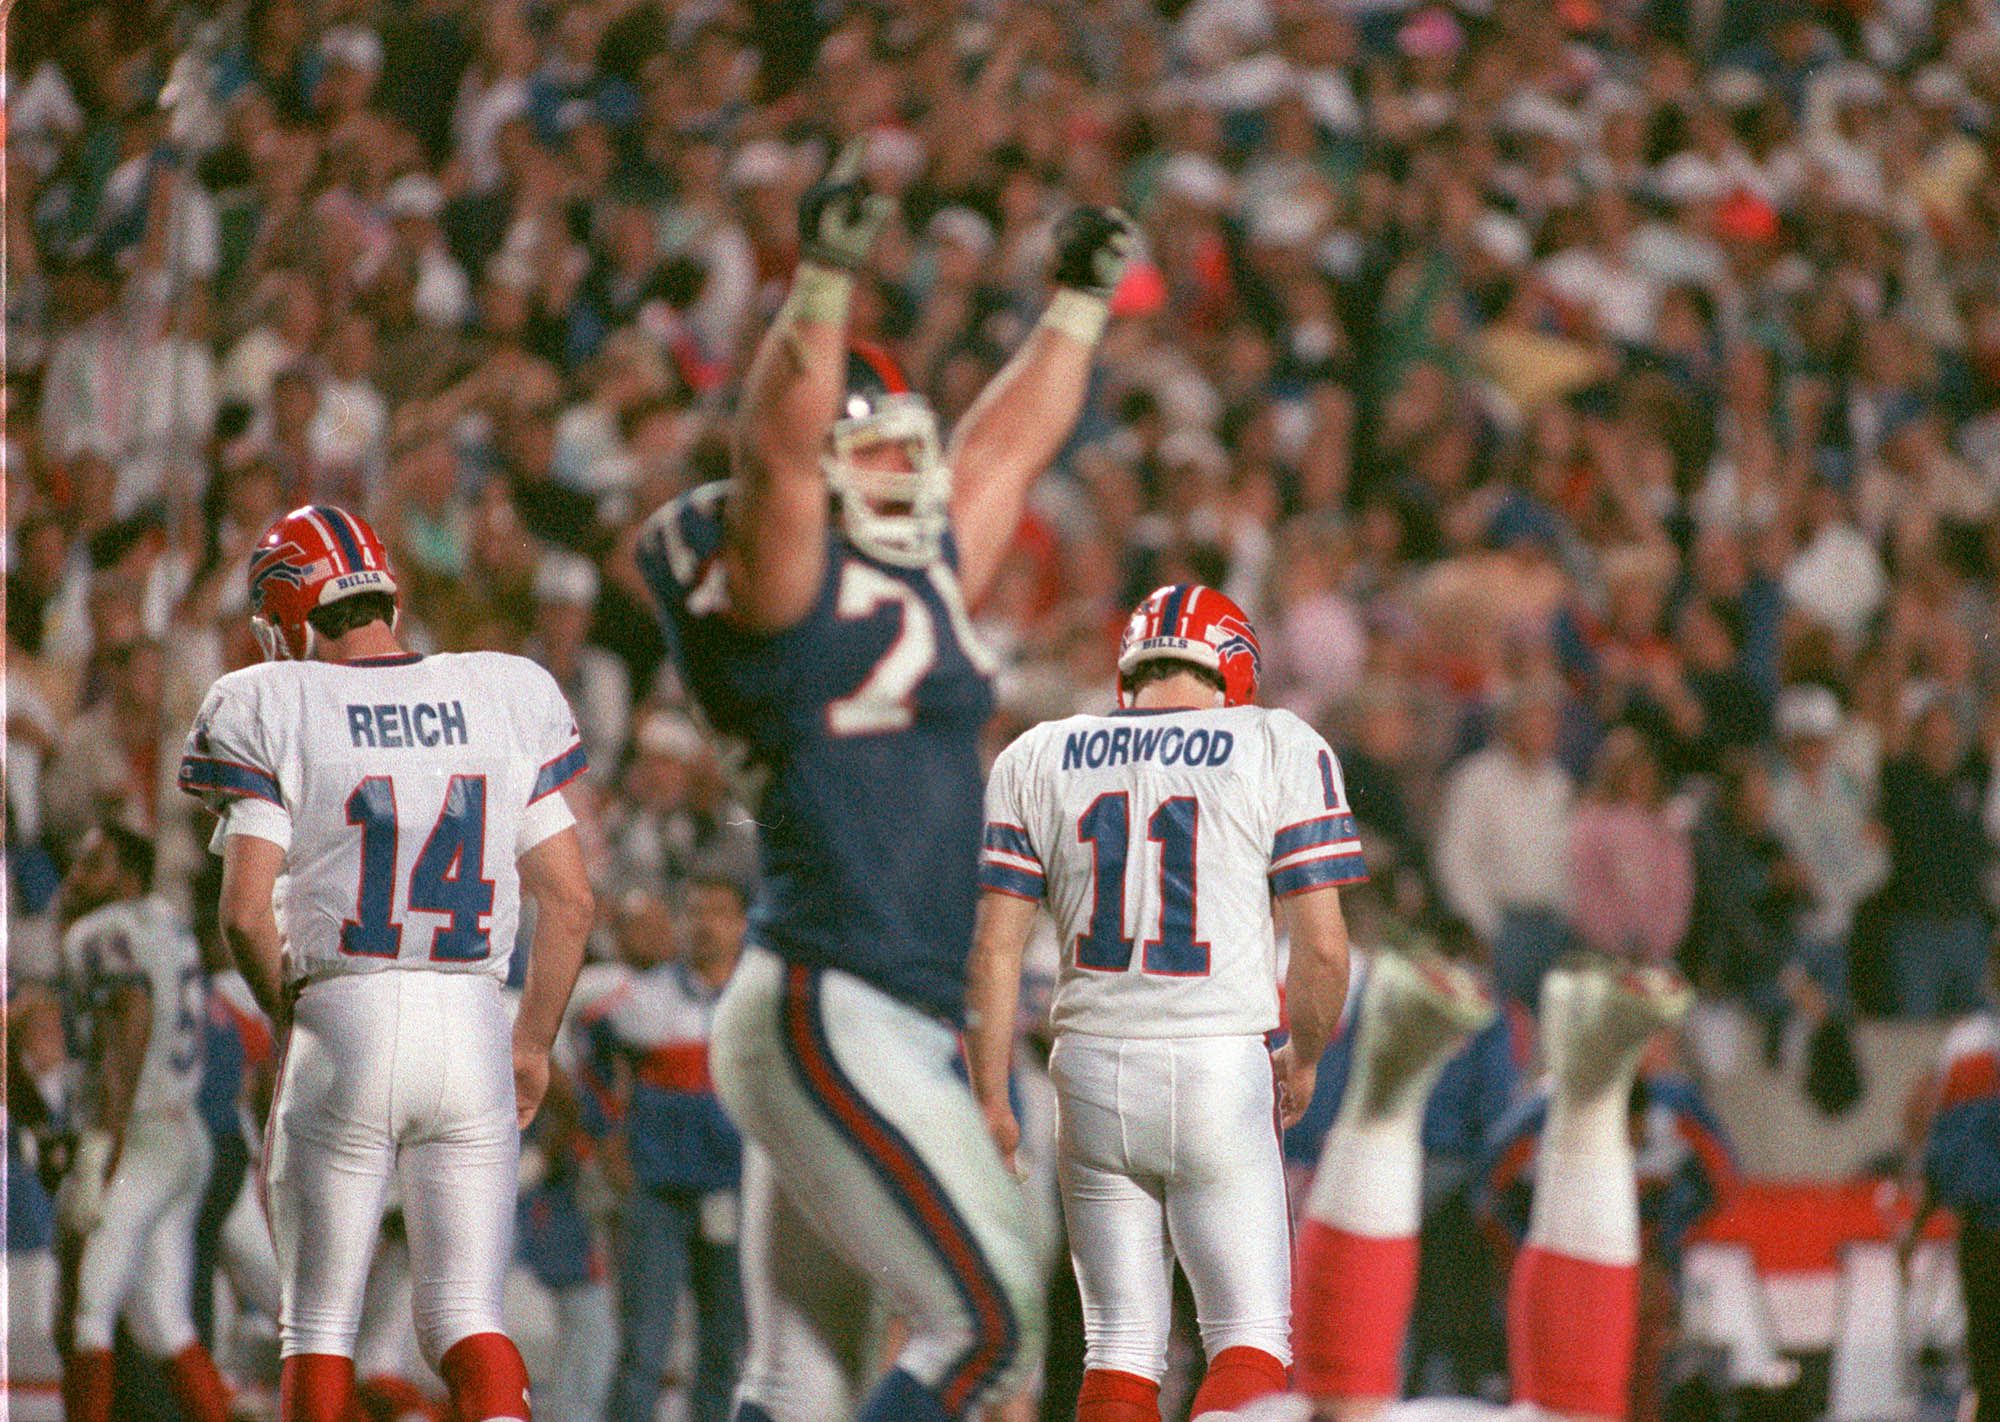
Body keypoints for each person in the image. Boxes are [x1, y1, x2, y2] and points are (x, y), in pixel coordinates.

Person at [636, 138, 1131, 1422]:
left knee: (794, 1375)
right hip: (831, 996)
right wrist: (819, 281)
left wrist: (1073, 305)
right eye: (874, 458)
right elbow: (778, 442)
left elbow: (1003, 446)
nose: (909, 477)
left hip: (874, 1007)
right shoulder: (778, 595)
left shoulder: (898, 573)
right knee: (991, 1325)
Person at [177, 504, 596, 1422]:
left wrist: (290, 1018)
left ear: (289, 610)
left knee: (320, 1325)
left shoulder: (269, 700)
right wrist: (531, 1045)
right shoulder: (501, 689)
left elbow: (247, 913)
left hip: (345, 1015)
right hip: (475, 1022)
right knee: (465, 1317)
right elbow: (570, 900)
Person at [965, 583, 1360, 1422]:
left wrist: (992, 1097)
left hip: (1089, 1070)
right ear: (1236, 669)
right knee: (1249, 1338)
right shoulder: (1276, 744)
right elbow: (1324, 948)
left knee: (1118, 1346)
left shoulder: (1038, 753)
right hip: (1218, 1059)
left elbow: (993, 953)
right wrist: (1308, 1054)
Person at [55, 821, 235, 1422]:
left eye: (93, 864)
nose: (76, 876)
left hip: (141, 1137)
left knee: (90, 1307)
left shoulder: (100, 932)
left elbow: (131, 1014)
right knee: (162, 1319)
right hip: (185, 1133)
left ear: (126, 876)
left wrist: (99, 1150)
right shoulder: (165, 920)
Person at [1292, 941, 1497, 1420]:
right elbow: (1495, 1107)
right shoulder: (1479, 1000)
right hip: (1438, 1171)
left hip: (1404, 1172)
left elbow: (1331, 1086)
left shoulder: (1373, 983)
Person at [592, 871, 748, 1422]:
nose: (704, 924)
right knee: (644, 1348)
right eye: (694, 911)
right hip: (657, 1193)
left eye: (717, 913)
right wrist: (607, 1139)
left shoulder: (759, 1004)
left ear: (742, 924)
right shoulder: (642, 997)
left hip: (736, 1193)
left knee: (726, 1348)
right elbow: (590, 1061)